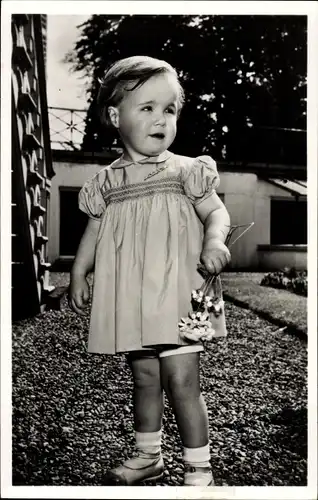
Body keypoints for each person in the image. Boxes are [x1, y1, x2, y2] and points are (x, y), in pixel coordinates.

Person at [68, 55, 231, 487]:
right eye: (147, 108)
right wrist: (79, 272)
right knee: (144, 377)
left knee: (182, 381)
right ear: (115, 115)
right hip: (135, 297)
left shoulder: (186, 171)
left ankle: (199, 470)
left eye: (169, 109)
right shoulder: (106, 182)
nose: (161, 119)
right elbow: (95, 230)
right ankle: (148, 456)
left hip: (177, 293)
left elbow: (216, 212)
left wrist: (215, 239)